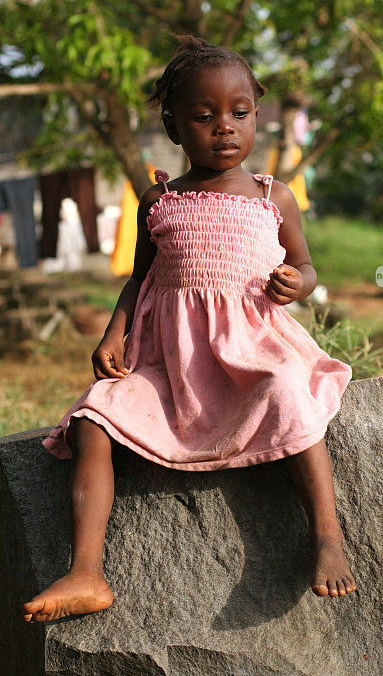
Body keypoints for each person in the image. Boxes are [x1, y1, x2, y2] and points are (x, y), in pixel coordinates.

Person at [23, 35, 355, 624]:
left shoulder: (272, 197)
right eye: (203, 117)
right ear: (175, 129)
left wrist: (296, 285)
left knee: (289, 391)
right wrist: (113, 333)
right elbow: (138, 281)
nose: (224, 128)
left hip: (252, 350)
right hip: (167, 365)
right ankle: (86, 570)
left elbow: (306, 267)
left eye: (239, 113)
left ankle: (326, 531)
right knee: (97, 416)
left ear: (258, 112)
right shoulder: (161, 200)